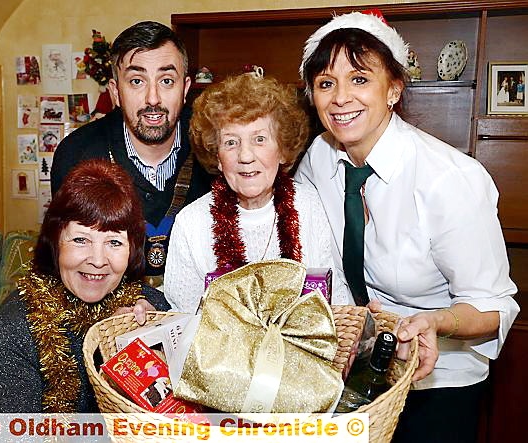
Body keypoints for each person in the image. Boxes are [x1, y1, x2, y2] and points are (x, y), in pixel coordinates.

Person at [295, 9, 519, 442]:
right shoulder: (318, 157)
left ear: (394, 88)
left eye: (360, 79)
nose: (341, 98)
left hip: (437, 380)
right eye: (326, 83)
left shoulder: (450, 179)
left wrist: (436, 322)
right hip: (356, 367)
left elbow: (494, 306)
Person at [0, 159, 171, 413]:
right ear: (55, 242)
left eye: (115, 243)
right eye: (80, 239)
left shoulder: (151, 310)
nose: (97, 261)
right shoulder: (16, 323)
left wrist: (150, 348)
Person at [164, 74, 345, 313]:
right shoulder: (191, 223)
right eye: (231, 142)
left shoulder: (310, 205)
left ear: (282, 150)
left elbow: (337, 299)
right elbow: (184, 320)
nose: (246, 156)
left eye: (260, 139)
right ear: (217, 157)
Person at [51, 21, 212, 287]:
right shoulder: (76, 156)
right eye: (137, 81)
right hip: (113, 314)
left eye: (167, 81)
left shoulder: (214, 147)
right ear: (116, 92)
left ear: (185, 89)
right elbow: (68, 257)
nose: (153, 98)